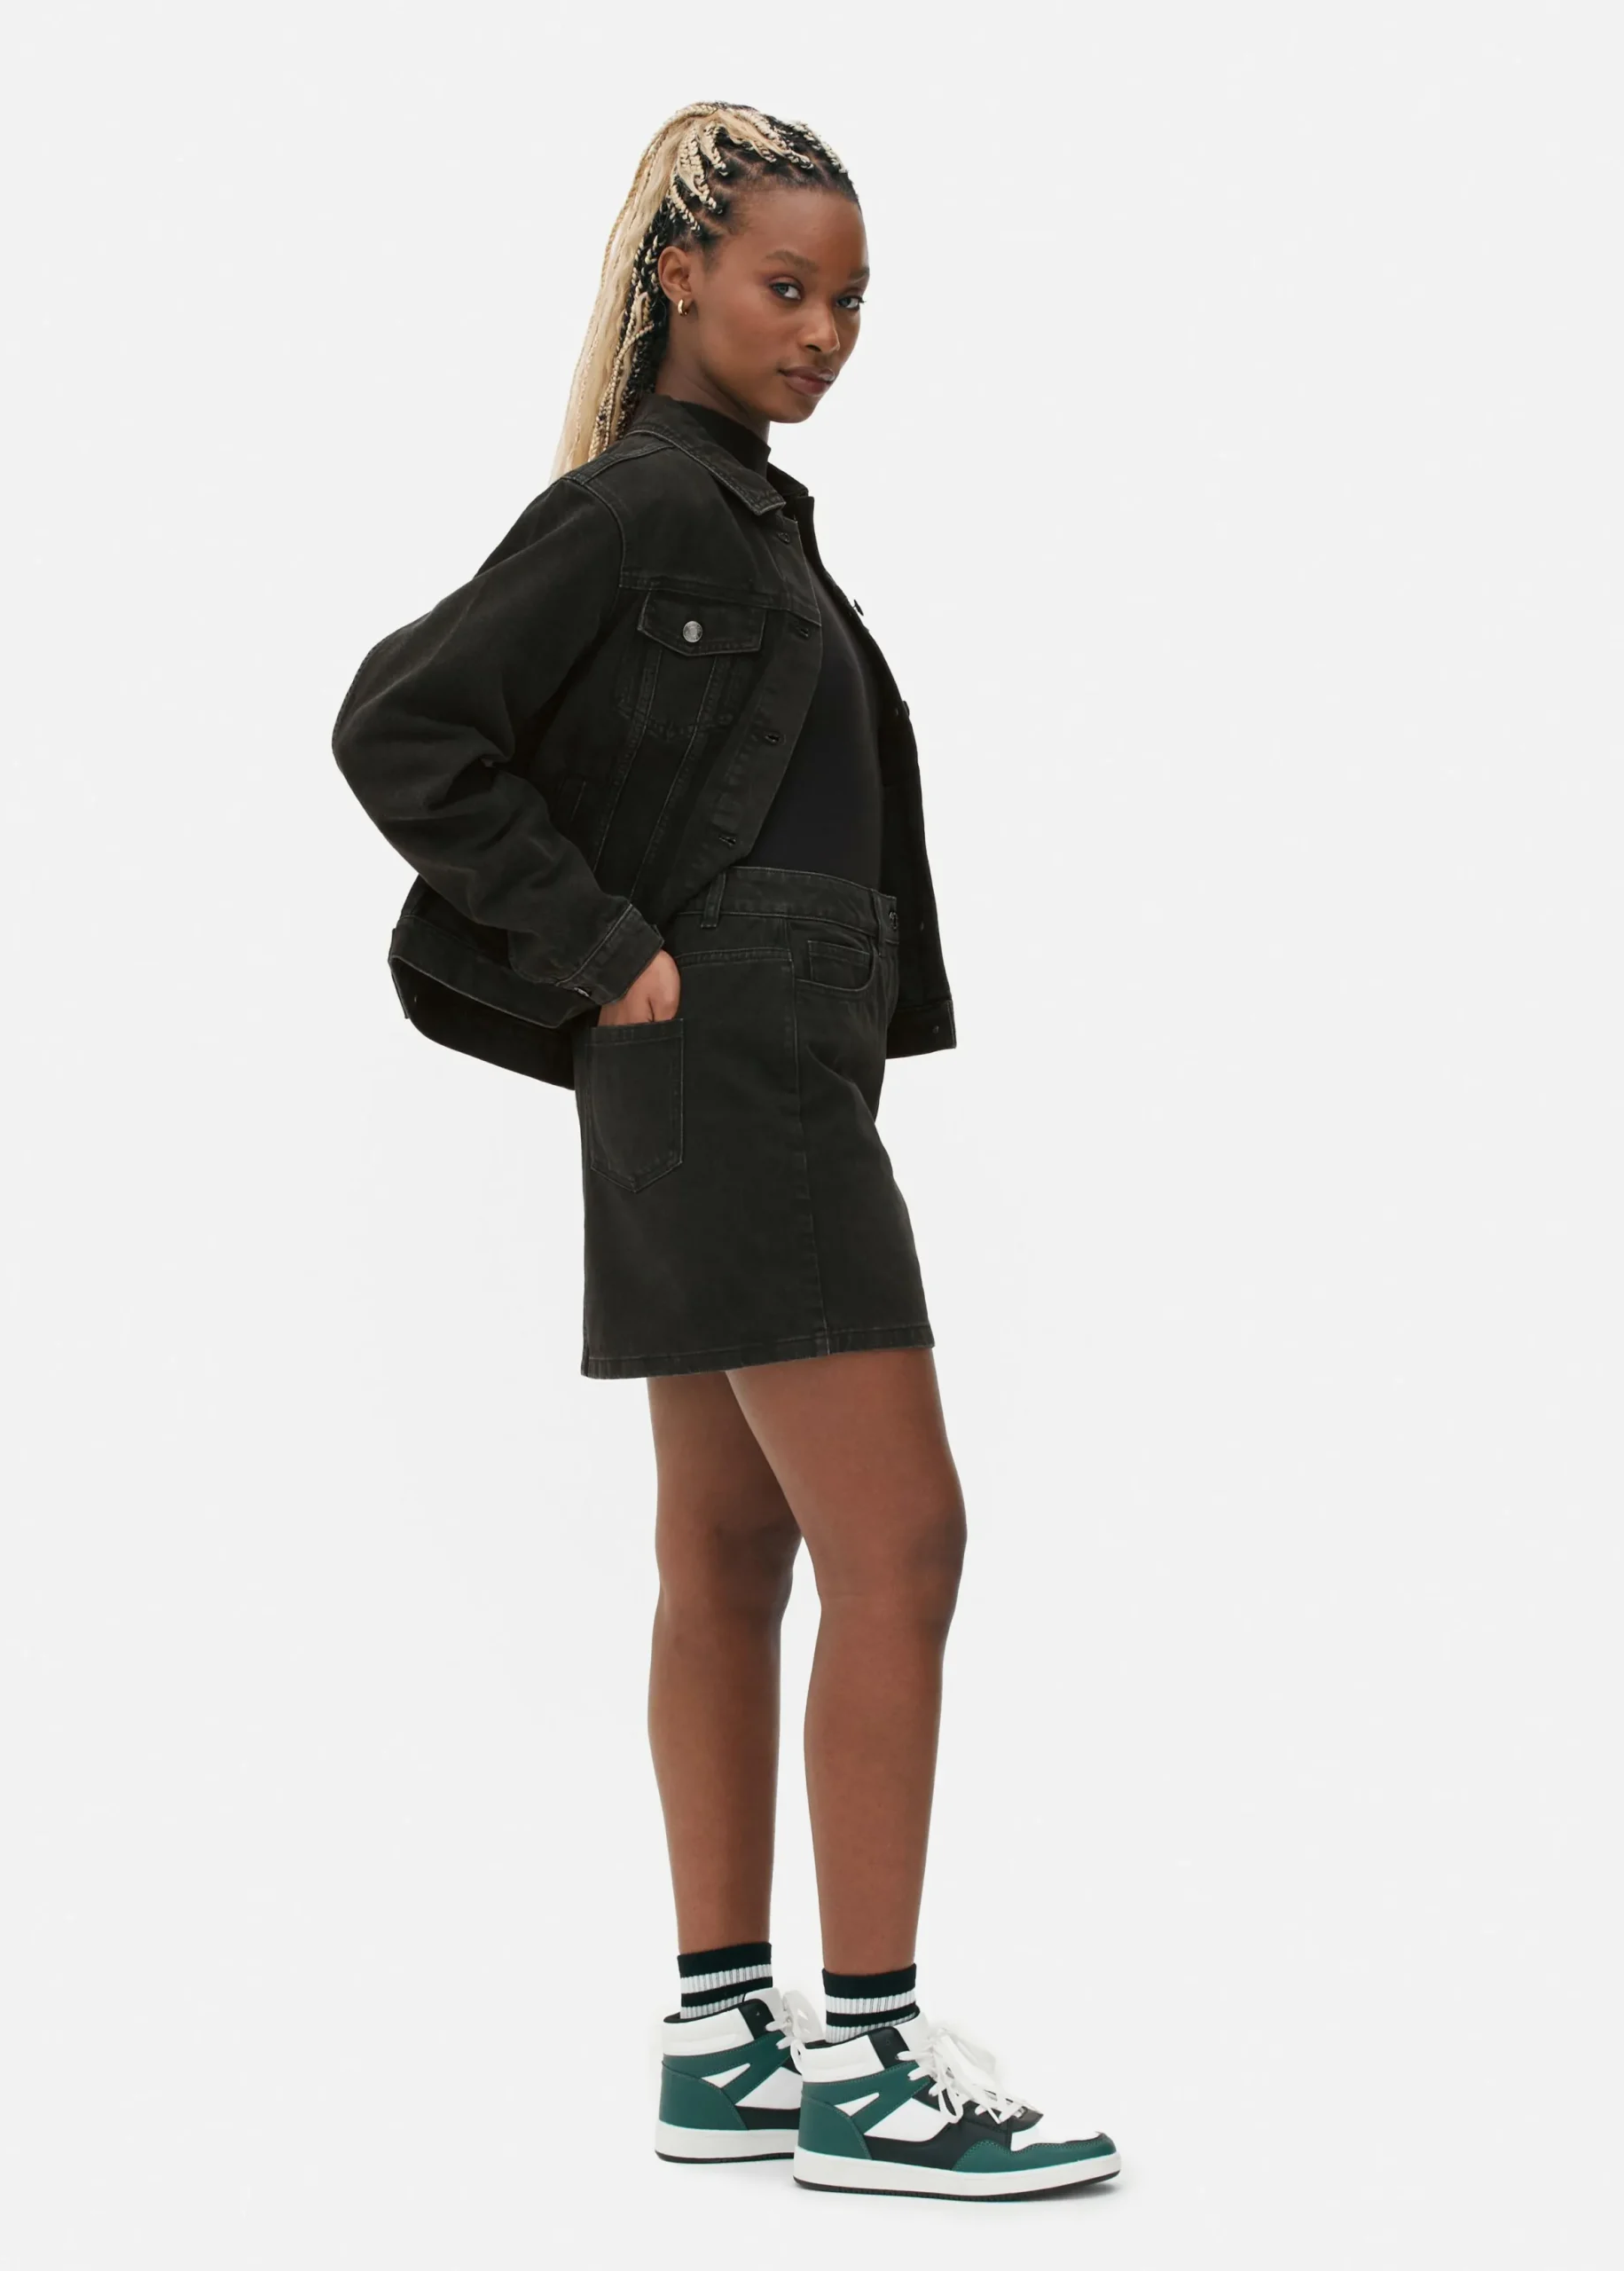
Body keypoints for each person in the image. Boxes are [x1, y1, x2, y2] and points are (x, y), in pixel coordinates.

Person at [332, 101, 1118, 2204]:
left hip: (752, 1063)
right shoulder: (644, 512)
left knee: (734, 1544)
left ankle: (721, 2031)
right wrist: (606, 949)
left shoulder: (752, 519)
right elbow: (402, 721)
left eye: (853, 298)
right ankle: (868, 2053)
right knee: (904, 1541)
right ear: (678, 270)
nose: (827, 329)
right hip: (731, 1061)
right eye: (789, 285)